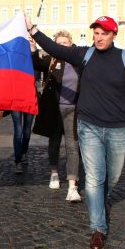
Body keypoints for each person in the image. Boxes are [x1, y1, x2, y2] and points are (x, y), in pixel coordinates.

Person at [26, 14, 125, 249]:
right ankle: (98, 228)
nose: (99, 38)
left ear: (114, 35)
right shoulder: (84, 55)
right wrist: (34, 31)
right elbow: (55, 47)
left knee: (113, 177)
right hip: (88, 125)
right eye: (96, 33)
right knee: (93, 178)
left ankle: (99, 202)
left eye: (104, 34)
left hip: (118, 128)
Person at [31, 31, 83, 202]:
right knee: (54, 142)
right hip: (54, 108)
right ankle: (54, 173)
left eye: (65, 42)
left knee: (73, 146)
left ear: (71, 44)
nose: (61, 45)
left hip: (74, 109)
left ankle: (72, 186)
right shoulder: (52, 60)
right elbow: (36, 64)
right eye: (58, 42)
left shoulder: (78, 60)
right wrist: (33, 48)